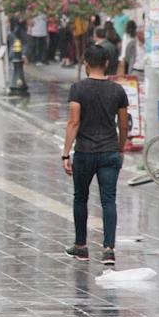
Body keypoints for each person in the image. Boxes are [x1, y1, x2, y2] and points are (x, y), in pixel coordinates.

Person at [62, 45, 128, 266]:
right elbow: (124, 124)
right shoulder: (118, 90)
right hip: (109, 150)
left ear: (86, 64)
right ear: (107, 64)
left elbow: (74, 122)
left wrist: (65, 153)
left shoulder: (78, 89)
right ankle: (108, 250)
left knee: (80, 198)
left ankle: (81, 247)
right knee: (109, 200)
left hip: (85, 152)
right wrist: (120, 148)